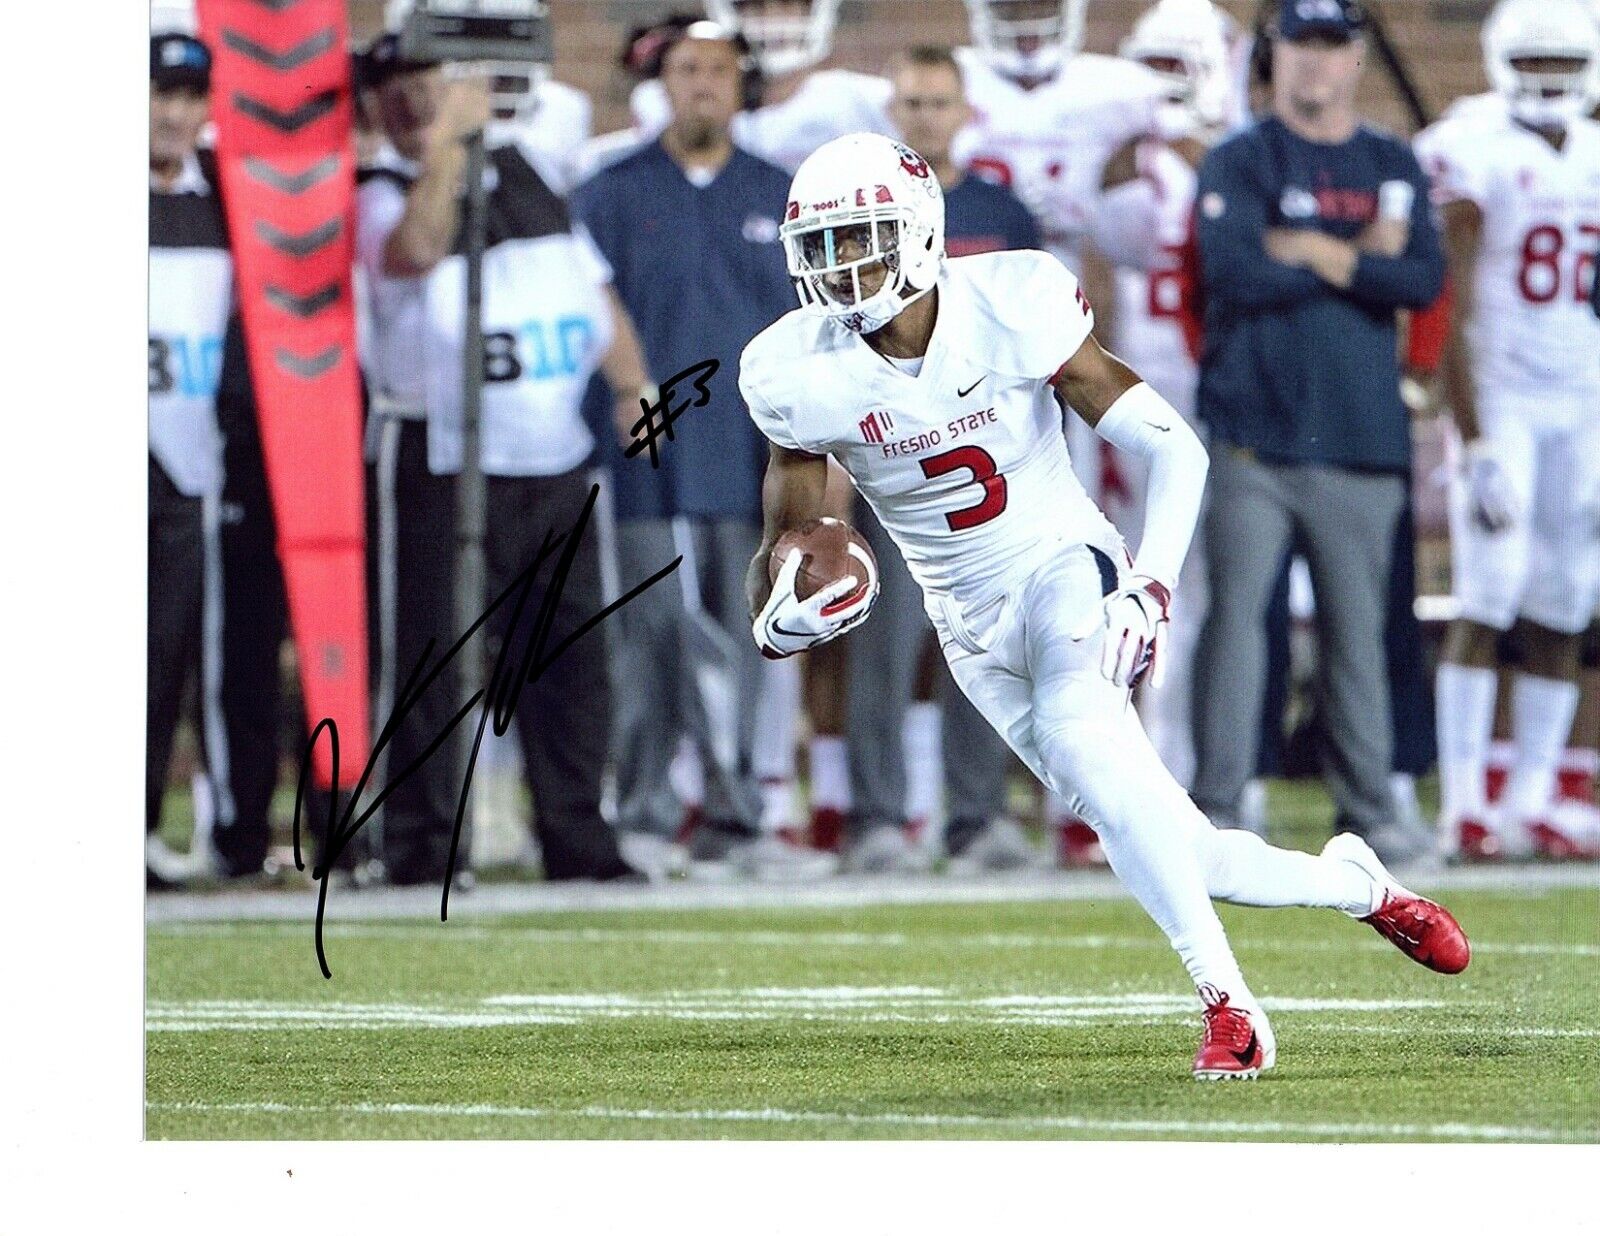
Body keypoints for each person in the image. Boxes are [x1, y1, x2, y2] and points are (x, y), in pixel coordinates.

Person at [741, 130, 1469, 1078]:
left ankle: (1228, 1007)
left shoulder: (1011, 302)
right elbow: (785, 549)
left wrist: (1152, 585)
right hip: (969, 630)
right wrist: (785, 615)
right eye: (824, 249)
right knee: (1169, 842)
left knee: (1088, 745)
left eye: (862, 239)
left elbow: (1178, 449)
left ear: (919, 232)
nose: (842, 270)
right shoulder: (795, 369)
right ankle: (1356, 885)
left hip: (1061, 565)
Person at [356, 37, 643, 884]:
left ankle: (577, 839)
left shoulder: (526, 171)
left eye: (427, 85)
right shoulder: (379, 190)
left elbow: (590, 286)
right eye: (395, 92)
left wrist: (633, 384)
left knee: (571, 660)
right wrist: (447, 142)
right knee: (432, 660)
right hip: (439, 454)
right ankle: (419, 846)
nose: (413, 102)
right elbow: (415, 246)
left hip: (551, 453)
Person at [573, 22, 833, 879]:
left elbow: (810, 329)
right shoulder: (610, 191)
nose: (704, 85)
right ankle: (645, 811)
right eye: (688, 70)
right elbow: (589, 304)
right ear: (663, 83)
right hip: (646, 457)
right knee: (648, 636)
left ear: (740, 83)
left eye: (719, 70)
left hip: (750, 455)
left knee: (748, 636)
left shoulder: (780, 193)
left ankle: (736, 817)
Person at [1188, 0, 1445, 864]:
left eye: (1331, 47)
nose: (1315, 65)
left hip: (1361, 440)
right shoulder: (1239, 156)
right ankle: (1219, 810)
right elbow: (1233, 269)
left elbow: (1420, 277)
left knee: (1360, 637)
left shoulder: (1390, 158)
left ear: (1357, 57)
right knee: (1235, 627)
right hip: (1251, 436)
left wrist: (1310, 248)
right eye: (1300, 45)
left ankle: (1371, 808)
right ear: (1277, 54)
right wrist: (1357, 257)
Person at [954, 0, 1179, 863]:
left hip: (1059, 357)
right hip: (975, 375)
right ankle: (988, 804)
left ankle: (1095, 799)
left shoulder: (1112, 99)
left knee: (1082, 580)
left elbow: (1132, 250)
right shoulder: (949, 94)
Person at [833, 44, 1039, 873]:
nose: (924, 117)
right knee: (882, 648)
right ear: (894, 116)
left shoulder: (1002, 210)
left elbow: (1038, 335)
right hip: (894, 463)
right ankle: (877, 818)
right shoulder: (861, 213)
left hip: (987, 465)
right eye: (910, 104)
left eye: (937, 103)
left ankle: (977, 816)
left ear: (964, 112)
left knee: (986, 650)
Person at [1413, 0, 1600, 861]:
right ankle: (1464, 804)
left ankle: (1532, 796)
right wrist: (1475, 437)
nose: (1549, 80)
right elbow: (1447, 300)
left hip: (1583, 399)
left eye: (1565, 63)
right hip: (1505, 400)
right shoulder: (1473, 143)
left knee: (1566, 595)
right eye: (1534, 61)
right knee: (1488, 593)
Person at [1090, 0, 1236, 792]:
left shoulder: (1229, 163)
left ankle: (1172, 761)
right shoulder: (1117, 158)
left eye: (1177, 70)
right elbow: (1100, 264)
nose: (1162, 89)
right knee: (1107, 579)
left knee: (1194, 588)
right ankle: (1112, 770)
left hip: (1197, 393)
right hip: (1113, 392)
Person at [147, 31, 233, 888]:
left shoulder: (222, 202)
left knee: (170, 649)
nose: (173, 113)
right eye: (158, 93)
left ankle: (146, 827)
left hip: (188, 459)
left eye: (188, 95)